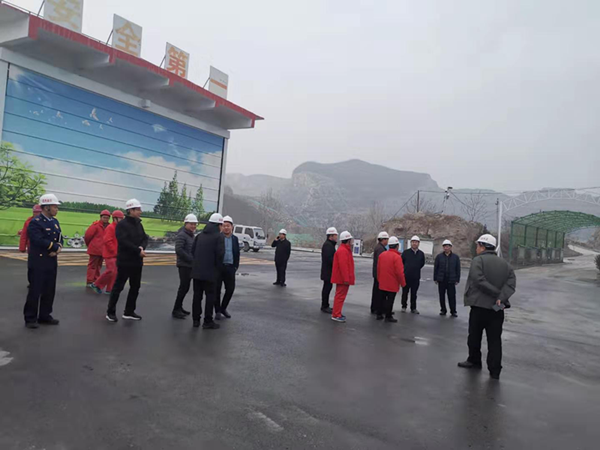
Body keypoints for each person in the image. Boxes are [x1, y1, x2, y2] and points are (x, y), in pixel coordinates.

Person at [458, 234, 516, 380]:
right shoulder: (505, 264)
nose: (476, 248)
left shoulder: (478, 261)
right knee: (495, 340)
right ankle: (495, 370)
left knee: (474, 336)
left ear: (483, 247)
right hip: (497, 308)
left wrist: (496, 293)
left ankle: (474, 361)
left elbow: (478, 280)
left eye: (478, 245)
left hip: (479, 306)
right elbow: (511, 284)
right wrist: (501, 297)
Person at [23, 194, 63, 329]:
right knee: (35, 290)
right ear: (46, 207)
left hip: (51, 260)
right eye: (54, 206)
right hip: (38, 261)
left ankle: (45, 316)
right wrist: (54, 247)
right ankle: (30, 318)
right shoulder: (36, 222)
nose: (57, 209)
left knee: (49, 289)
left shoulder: (55, 222)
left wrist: (59, 247)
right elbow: (37, 240)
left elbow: (60, 237)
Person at [106, 199, 148, 323]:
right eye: (138, 209)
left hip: (137, 261)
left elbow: (145, 238)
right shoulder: (122, 225)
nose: (140, 211)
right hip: (125, 261)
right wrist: (137, 250)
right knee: (118, 287)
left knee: (135, 287)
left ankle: (129, 311)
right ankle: (110, 312)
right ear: (131, 210)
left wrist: (142, 247)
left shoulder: (139, 224)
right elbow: (123, 241)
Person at [191, 213, 225, 329]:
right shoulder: (219, 237)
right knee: (210, 297)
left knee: (197, 296)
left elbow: (193, 251)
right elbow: (220, 255)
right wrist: (218, 270)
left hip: (197, 272)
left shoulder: (199, 236)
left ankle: (196, 320)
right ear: (218, 225)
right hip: (211, 273)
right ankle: (207, 321)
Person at [91, 210, 124, 295]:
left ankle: (110, 289)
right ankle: (97, 284)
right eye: (120, 218)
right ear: (115, 219)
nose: (122, 220)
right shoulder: (111, 227)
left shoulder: (119, 228)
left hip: (116, 254)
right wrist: (115, 251)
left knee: (115, 272)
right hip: (110, 254)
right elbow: (107, 241)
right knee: (111, 270)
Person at [171, 214, 198, 319]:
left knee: (185, 287)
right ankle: (176, 309)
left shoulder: (190, 235)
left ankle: (179, 307)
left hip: (189, 265)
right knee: (183, 288)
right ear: (186, 224)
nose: (193, 226)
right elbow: (179, 250)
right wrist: (191, 259)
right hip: (184, 265)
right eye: (191, 224)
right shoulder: (182, 235)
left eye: (195, 224)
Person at [215, 215, 240, 320]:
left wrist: (235, 267)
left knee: (230, 289)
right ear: (221, 227)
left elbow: (237, 254)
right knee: (216, 290)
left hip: (230, 268)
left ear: (232, 227)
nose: (226, 228)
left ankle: (223, 308)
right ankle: (217, 311)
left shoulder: (235, 239)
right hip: (219, 268)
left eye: (228, 226)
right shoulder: (218, 238)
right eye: (224, 225)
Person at [376, 237, 406, 322]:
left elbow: (378, 269)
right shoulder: (397, 257)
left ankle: (379, 314)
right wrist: (403, 283)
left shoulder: (382, 255)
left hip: (382, 282)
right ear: (397, 246)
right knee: (390, 300)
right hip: (392, 283)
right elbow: (400, 272)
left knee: (381, 299)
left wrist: (379, 279)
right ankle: (388, 316)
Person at [331, 231, 355, 323]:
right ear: (348, 240)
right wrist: (346, 279)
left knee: (340, 296)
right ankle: (336, 314)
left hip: (342, 278)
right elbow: (343, 266)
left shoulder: (344, 250)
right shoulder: (343, 251)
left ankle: (337, 313)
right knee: (340, 296)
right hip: (342, 279)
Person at [434, 239, 461, 317]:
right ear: (443, 247)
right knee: (441, 296)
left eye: (448, 246)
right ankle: (443, 310)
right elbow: (436, 268)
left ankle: (453, 311)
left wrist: (457, 279)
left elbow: (458, 269)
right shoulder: (439, 257)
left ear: (451, 247)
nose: (446, 248)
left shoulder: (455, 257)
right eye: (445, 246)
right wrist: (435, 278)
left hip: (451, 280)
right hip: (441, 279)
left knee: (452, 296)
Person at [84, 210, 111, 287]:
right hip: (94, 250)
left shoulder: (109, 226)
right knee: (92, 266)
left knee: (99, 266)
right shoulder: (95, 225)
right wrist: (90, 245)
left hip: (103, 250)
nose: (105, 219)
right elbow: (87, 236)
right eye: (104, 217)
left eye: (107, 218)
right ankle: (90, 281)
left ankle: (96, 280)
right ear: (101, 217)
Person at [19, 204, 42, 287]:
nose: (36, 214)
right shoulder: (28, 221)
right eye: (35, 212)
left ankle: (40, 283)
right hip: (32, 248)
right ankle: (32, 282)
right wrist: (22, 247)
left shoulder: (46, 221)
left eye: (38, 212)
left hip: (43, 248)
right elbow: (24, 235)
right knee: (31, 267)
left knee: (42, 267)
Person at [401, 235, 425, 314]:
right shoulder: (406, 253)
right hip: (406, 276)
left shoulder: (421, 254)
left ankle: (413, 308)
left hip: (416, 277)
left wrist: (415, 268)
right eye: (413, 242)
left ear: (418, 243)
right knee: (405, 292)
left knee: (414, 293)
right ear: (410, 243)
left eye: (416, 242)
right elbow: (402, 262)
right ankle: (404, 306)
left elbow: (422, 263)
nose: (414, 243)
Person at [320, 227, 338, 313]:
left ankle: (325, 304)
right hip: (327, 271)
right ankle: (324, 305)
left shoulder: (330, 245)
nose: (336, 237)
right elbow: (329, 259)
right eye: (335, 235)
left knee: (328, 287)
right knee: (327, 288)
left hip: (328, 271)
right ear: (331, 236)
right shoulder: (328, 245)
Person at [371, 231, 389, 315]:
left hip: (377, 274)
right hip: (379, 274)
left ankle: (377, 308)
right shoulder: (380, 249)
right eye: (387, 239)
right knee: (378, 293)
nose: (387, 241)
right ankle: (377, 308)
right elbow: (380, 262)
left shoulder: (379, 247)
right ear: (383, 239)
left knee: (377, 292)